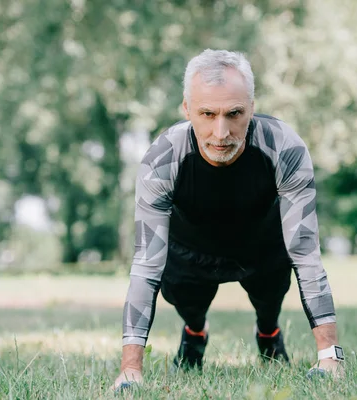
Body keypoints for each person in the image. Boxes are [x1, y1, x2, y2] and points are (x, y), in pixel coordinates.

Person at [112, 49, 344, 390]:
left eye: (234, 114)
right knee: (187, 303)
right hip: (190, 250)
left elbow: (306, 254)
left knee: (270, 301)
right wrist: (130, 369)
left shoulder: (284, 147)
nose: (221, 132)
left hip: (262, 248)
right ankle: (194, 332)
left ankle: (268, 332)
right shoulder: (161, 159)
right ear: (187, 109)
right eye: (207, 114)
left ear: (251, 107)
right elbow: (146, 265)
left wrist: (331, 357)